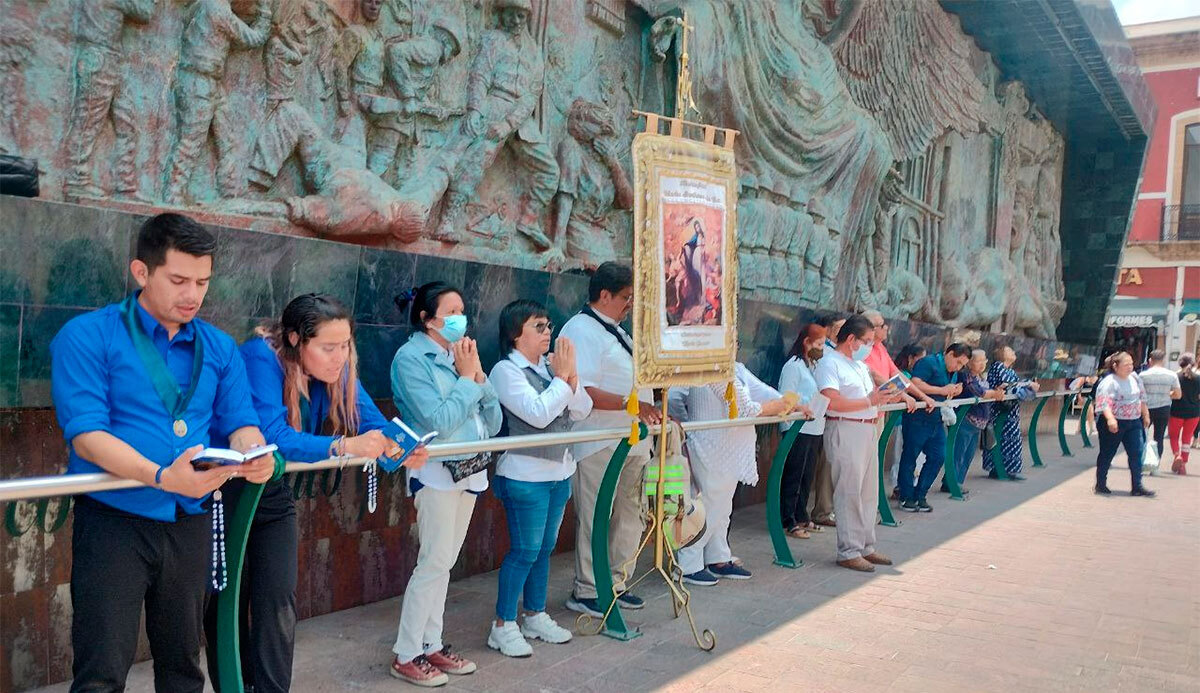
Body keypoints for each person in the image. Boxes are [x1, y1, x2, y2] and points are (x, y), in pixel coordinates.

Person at [50, 213, 274, 692]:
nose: (192, 294)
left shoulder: (217, 346)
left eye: (202, 282)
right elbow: (87, 434)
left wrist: (254, 454)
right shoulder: (88, 335)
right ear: (140, 272)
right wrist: (159, 475)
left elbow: (241, 424)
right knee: (101, 669)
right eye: (178, 280)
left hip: (190, 520)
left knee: (182, 667)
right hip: (115, 522)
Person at [202, 293, 428, 692]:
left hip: (272, 492)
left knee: (278, 600)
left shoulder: (337, 369)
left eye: (345, 345)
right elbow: (272, 436)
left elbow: (368, 420)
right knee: (229, 603)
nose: (339, 356)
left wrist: (403, 446)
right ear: (294, 340)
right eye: (328, 347)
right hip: (226, 490)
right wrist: (342, 447)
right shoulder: (261, 357)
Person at [389, 282, 503, 687]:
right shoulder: (410, 359)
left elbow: (492, 418)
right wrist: (468, 380)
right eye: (451, 312)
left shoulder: (462, 355)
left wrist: (475, 377)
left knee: (445, 563)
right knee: (433, 562)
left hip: (471, 468)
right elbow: (437, 421)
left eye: (462, 310)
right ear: (427, 318)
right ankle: (407, 653)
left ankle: (431, 643)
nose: (460, 319)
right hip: (435, 471)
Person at [486, 300, 592, 657]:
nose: (549, 333)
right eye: (539, 326)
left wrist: (570, 378)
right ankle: (503, 624)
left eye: (549, 326)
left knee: (544, 550)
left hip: (559, 472)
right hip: (524, 474)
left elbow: (582, 409)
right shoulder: (505, 371)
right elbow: (538, 414)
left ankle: (534, 613)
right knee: (525, 550)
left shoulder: (550, 369)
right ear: (516, 334)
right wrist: (562, 380)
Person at [559, 262, 659, 617]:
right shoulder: (581, 330)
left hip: (633, 439)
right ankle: (588, 588)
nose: (631, 304)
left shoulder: (620, 332)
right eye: (626, 297)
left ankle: (616, 582)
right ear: (604, 295)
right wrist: (632, 404)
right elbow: (581, 389)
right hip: (600, 441)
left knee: (630, 513)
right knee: (596, 515)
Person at [675, 363, 801, 585]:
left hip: (730, 449)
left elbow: (761, 390)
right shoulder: (710, 367)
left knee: (723, 509)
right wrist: (782, 405)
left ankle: (718, 559)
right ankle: (688, 565)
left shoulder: (735, 367)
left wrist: (791, 404)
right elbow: (746, 408)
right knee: (710, 508)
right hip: (710, 446)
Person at [814, 315, 908, 572]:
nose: (869, 345)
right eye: (866, 341)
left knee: (868, 491)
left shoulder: (858, 365)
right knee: (849, 491)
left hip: (867, 428)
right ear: (851, 339)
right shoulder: (829, 363)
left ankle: (866, 545)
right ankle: (849, 550)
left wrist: (883, 398)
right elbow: (831, 401)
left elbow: (871, 397)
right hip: (845, 427)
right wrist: (870, 400)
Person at [898, 343, 970, 512]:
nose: (958, 367)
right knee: (910, 457)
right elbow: (914, 384)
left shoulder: (951, 372)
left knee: (939, 456)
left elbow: (944, 391)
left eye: (962, 365)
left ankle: (920, 494)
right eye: (958, 362)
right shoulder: (928, 363)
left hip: (936, 418)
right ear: (950, 354)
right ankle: (906, 496)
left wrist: (953, 390)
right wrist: (941, 389)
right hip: (917, 418)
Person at [778, 321, 828, 539]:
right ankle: (788, 519)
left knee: (807, 476)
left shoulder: (812, 365)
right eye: (818, 343)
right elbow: (786, 396)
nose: (822, 348)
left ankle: (802, 515)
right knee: (793, 475)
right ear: (806, 342)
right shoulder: (793, 365)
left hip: (814, 428)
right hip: (796, 429)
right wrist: (800, 407)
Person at [942, 349, 1004, 494]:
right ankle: (951, 482)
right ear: (969, 363)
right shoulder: (964, 375)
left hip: (979, 423)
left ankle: (958, 482)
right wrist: (994, 394)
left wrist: (996, 392)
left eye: (984, 360)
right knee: (958, 453)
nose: (982, 364)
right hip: (965, 420)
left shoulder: (982, 377)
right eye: (978, 361)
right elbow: (975, 391)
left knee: (968, 454)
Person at [1093, 351, 1154, 497]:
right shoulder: (1109, 382)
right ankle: (1101, 484)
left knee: (1136, 452)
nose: (1130, 367)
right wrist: (1110, 419)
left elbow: (1142, 397)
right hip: (1114, 422)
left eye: (1131, 363)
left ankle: (1137, 486)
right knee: (1107, 453)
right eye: (1126, 364)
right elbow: (1104, 403)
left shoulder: (1135, 378)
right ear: (1115, 366)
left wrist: (1145, 415)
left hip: (1133, 421)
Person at [809, 313, 844, 528]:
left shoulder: (841, 357)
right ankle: (821, 510)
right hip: (821, 417)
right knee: (824, 467)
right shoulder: (827, 357)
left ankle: (827, 510)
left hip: (830, 418)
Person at [984, 346, 1039, 480]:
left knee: (1012, 440)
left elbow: (1014, 384)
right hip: (999, 411)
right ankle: (998, 469)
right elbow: (1007, 385)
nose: (1014, 352)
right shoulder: (998, 366)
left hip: (1010, 411)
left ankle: (1008, 469)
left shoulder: (1010, 370)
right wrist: (1027, 384)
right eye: (1010, 351)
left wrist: (1025, 385)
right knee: (1002, 438)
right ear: (1002, 354)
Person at [889, 344, 927, 498]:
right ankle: (898, 486)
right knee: (901, 454)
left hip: (915, 420)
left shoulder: (918, 375)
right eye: (920, 358)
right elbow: (892, 388)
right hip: (901, 420)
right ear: (911, 358)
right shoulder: (902, 374)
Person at [1139, 349, 1181, 459]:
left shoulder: (1143, 375)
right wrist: (1167, 394)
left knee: (1142, 435)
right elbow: (1178, 394)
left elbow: (1138, 394)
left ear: (1150, 360)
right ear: (1163, 360)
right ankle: (1156, 463)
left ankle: (1141, 461)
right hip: (1164, 408)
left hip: (1146, 409)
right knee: (1159, 436)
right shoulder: (1172, 375)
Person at [1168, 354, 1199, 475]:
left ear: (1180, 363)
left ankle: (1177, 455)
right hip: (1194, 412)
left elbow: (1172, 393)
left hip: (1177, 411)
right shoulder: (1198, 378)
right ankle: (1184, 463)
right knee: (1187, 438)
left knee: (1174, 436)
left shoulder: (1175, 377)